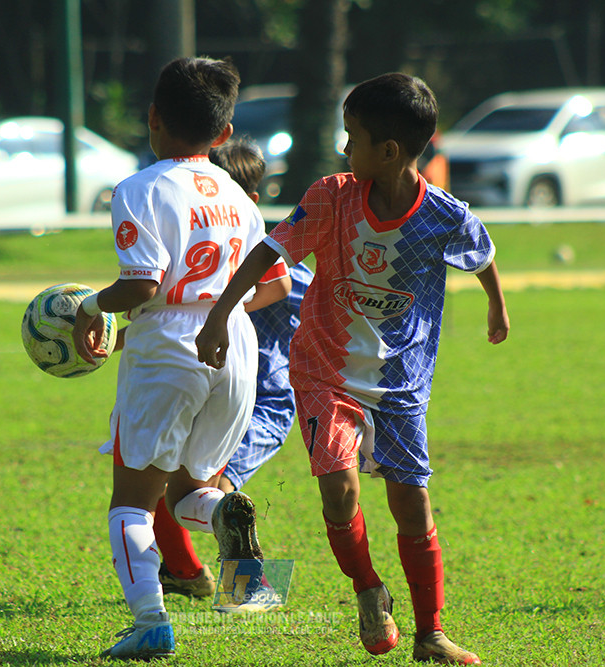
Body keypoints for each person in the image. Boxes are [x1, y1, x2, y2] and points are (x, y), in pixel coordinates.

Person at [195, 73, 509, 665]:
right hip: (323, 370)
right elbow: (270, 250)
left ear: (388, 151)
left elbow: (482, 253)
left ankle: (430, 634)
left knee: (411, 505)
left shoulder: (443, 215)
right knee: (340, 492)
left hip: (400, 381)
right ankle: (368, 590)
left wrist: (497, 304)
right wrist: (220, 311)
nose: (344, 148)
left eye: (353, 137)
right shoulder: (331, 197)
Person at [72, 57, 290, 661]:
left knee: (131, 501)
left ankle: (150, 622)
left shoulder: (139, 188)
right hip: (235, 340)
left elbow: (142, 283)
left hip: (169, 345)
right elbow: (272, 280)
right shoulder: (239, 196)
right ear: (223, 133)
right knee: (192, 491)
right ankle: (230, 525)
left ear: (153, 118)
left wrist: (90, 307)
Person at [151, 138, 314, 599]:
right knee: (173, 479)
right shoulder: (202, 258)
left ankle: (246, 589)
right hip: (218, 388)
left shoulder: (282, 271)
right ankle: (185, 572)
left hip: (261, 402)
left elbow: (329, 317)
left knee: (206, 486)